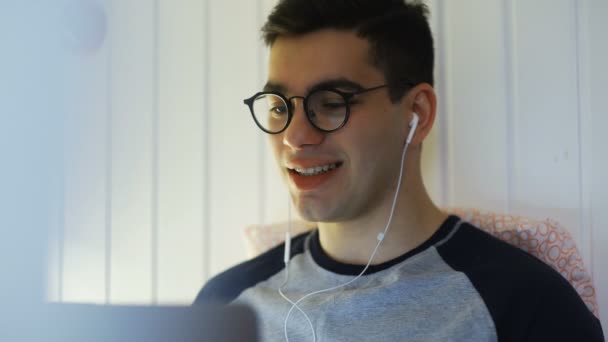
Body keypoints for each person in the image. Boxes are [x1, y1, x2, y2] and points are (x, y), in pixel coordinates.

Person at [194, 1, 605, 341]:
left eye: (332, 102)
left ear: (417, 113)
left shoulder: (526, 303)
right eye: (280, 107)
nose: (295, 136)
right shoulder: (225, 304)